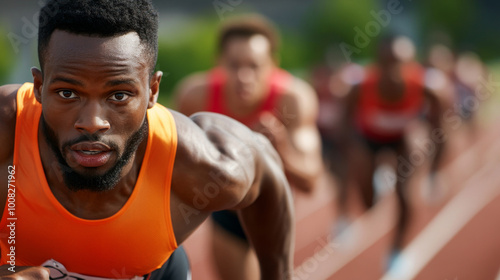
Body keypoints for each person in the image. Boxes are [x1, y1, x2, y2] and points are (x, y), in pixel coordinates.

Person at [0, 1, 295, 279]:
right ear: (39, 87)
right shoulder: (6, 133)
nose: (92, 122)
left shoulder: (199, 164)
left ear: (152, 91)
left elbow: (266, 170)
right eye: (67, 93)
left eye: (119, 95)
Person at [174, 15, 323, 280]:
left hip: (273, 208)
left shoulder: (293, 100)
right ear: (219, 63)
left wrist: (280, 148)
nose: (244, 76)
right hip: (227, 208)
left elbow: (310, 180)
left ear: (273, 65)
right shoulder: (195, 96)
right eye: (234, 65)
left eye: (254, 66)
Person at [339, 35, 444, 260]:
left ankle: (397, 251)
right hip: (368, 139)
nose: (393, 69)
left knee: (405, 194)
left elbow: (440, 131)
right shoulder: (361, 88)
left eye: (400, 62)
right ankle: (376, 182)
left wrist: (433, 172)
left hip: (403, 139)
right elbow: (345, 125)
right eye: (387, 62)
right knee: (368, 205)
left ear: (411, 63)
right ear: (378, 63)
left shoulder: (426, 88)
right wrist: (353, 156)